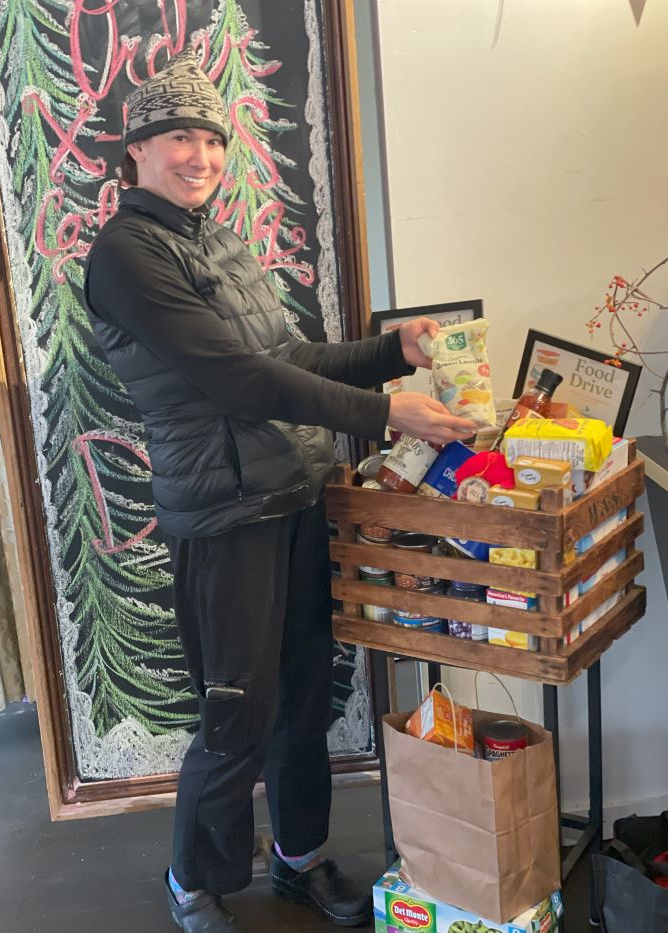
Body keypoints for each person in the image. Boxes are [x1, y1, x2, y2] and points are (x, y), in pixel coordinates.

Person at [83, 50, 475, 933]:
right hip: (224, 518)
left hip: (295, 496)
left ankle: (299, 856)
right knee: (237, 710)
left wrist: (391, 354)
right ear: (135, 150)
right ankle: (196, 878)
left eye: (212, 141)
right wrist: (386, 412)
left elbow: (285, 358)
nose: (200, 157)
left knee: (306, 692)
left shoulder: (213, 239)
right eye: (178, 137)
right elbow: (238, 380)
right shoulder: (124, 254)